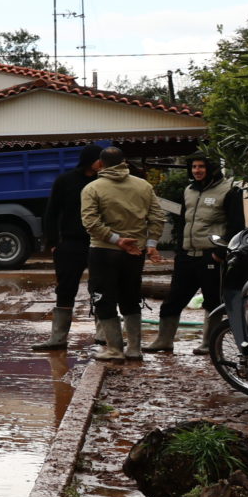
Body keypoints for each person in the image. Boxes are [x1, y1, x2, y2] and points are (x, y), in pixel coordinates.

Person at [155, 155, 246, 353]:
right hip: (186, 255)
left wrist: (221, 252)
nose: (197, 170)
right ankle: (164, 340)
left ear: (211, 168)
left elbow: (236, 225)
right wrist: (180, 249)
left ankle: (208, 343)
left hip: (211, 255)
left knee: (212, 301)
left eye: (201, 166)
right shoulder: (189, 190)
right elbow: (183, 222)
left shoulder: (229, 190)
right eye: (194, 167)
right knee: (173, 299)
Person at [79, 147, 159, 363]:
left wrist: (116, 240)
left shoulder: (92, 188)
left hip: (103, 251)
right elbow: (157, 216)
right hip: (135, 251)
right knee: (131, 298)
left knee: (103, 299)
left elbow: (90, 222)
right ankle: (134, 349)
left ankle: (114, 349)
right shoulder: (144, 186)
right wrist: (151, 244)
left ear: (101, 164)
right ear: (124, 162)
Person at [32, 148, 104, 352]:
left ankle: (104, 335)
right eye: (99, 159)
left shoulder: (104, 181)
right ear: (89, 160)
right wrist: (53, 241)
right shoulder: (65, 180)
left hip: (99, 242)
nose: (102, 163)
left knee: (101, 287)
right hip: (70, 242)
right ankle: (58, 338)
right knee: (65, 288)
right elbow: (52, 211)